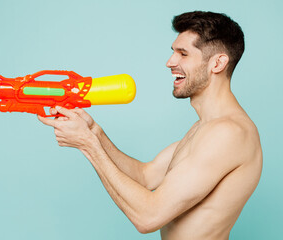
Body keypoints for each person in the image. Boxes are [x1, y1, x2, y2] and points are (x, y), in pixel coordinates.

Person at [38, 11, 263, 240]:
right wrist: (94, 132)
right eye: (173, 52)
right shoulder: (204, 128)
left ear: (218, 63)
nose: (170, 62)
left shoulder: (229, 133)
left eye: (183, 54)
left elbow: (149, 217)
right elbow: (145, 176)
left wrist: (88, 145)